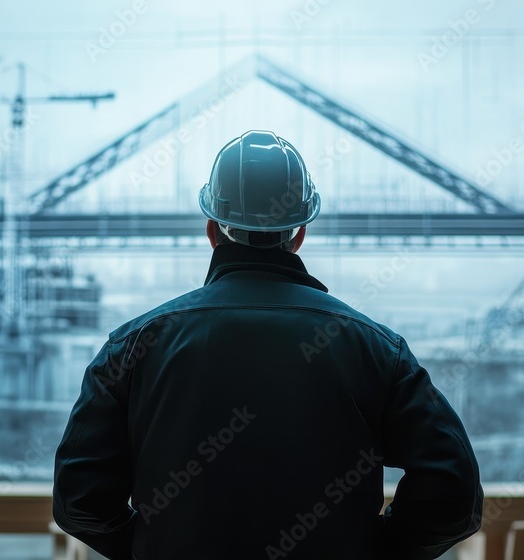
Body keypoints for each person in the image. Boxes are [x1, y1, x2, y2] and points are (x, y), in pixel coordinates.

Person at [53, 130, 483, 559]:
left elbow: (79, 501)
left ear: (211, 231)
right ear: (298, 235)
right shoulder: (377, 350)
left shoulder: (133, 348)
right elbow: (454, 494)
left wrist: (150, 546)